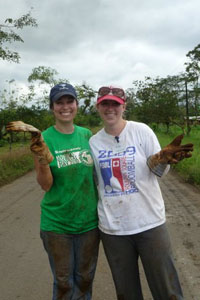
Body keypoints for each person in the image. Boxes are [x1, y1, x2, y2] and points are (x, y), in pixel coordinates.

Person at [89, 86, 194, 300]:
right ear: (98, 107)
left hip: (150, 223)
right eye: (105, 104)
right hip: (113, 229)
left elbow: (159, 171)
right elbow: (94, 182)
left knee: (167, 289)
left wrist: (162, 160)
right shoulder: (94, 142)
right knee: (126, 291)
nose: (110, 109)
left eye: (115, 104)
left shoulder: (141, 131)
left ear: (124, 106)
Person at [7, 83, 100, 300]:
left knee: (85, 278)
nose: (65, 107)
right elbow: (46, 185)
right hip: (57, 225)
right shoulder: (44, 139)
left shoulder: (86, 135)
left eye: (70, 101)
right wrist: (42, 159)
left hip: (89, 222)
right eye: (59, 102)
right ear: (52, 107)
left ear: (77, 105)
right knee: (64, 282)